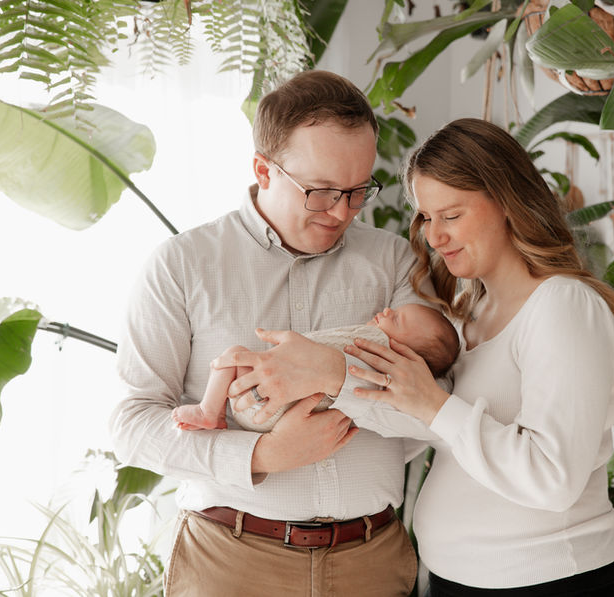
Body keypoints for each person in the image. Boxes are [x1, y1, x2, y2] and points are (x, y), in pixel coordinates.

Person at [110, 70, 436, 597]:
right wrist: (260, 456)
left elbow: (434, 405)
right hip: (230, 563)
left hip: (371, 561)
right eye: (321, 191)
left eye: (358, 191)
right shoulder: (182, 265)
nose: (342, 211)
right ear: (264, 170)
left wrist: (337, 379)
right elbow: (132, 423)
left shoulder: (395, 261)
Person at [338, 118, 614, 596]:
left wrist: (432, 404)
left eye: (451, 215)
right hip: (458, 579)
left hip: (548, 582)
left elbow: (553, 478)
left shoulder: (561, 305)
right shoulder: (469, 312)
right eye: (426, 217)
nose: (434, 237)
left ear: (506, 202)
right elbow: (447, 432)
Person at [172, 303, 459, 432]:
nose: (386, 311)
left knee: (234, 355)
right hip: (270, 417)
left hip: (267, 407)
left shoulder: (377, 348)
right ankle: (213, 414)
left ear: (405, 354)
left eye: (395, 319)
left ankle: (209, 411)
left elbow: (439, 404)